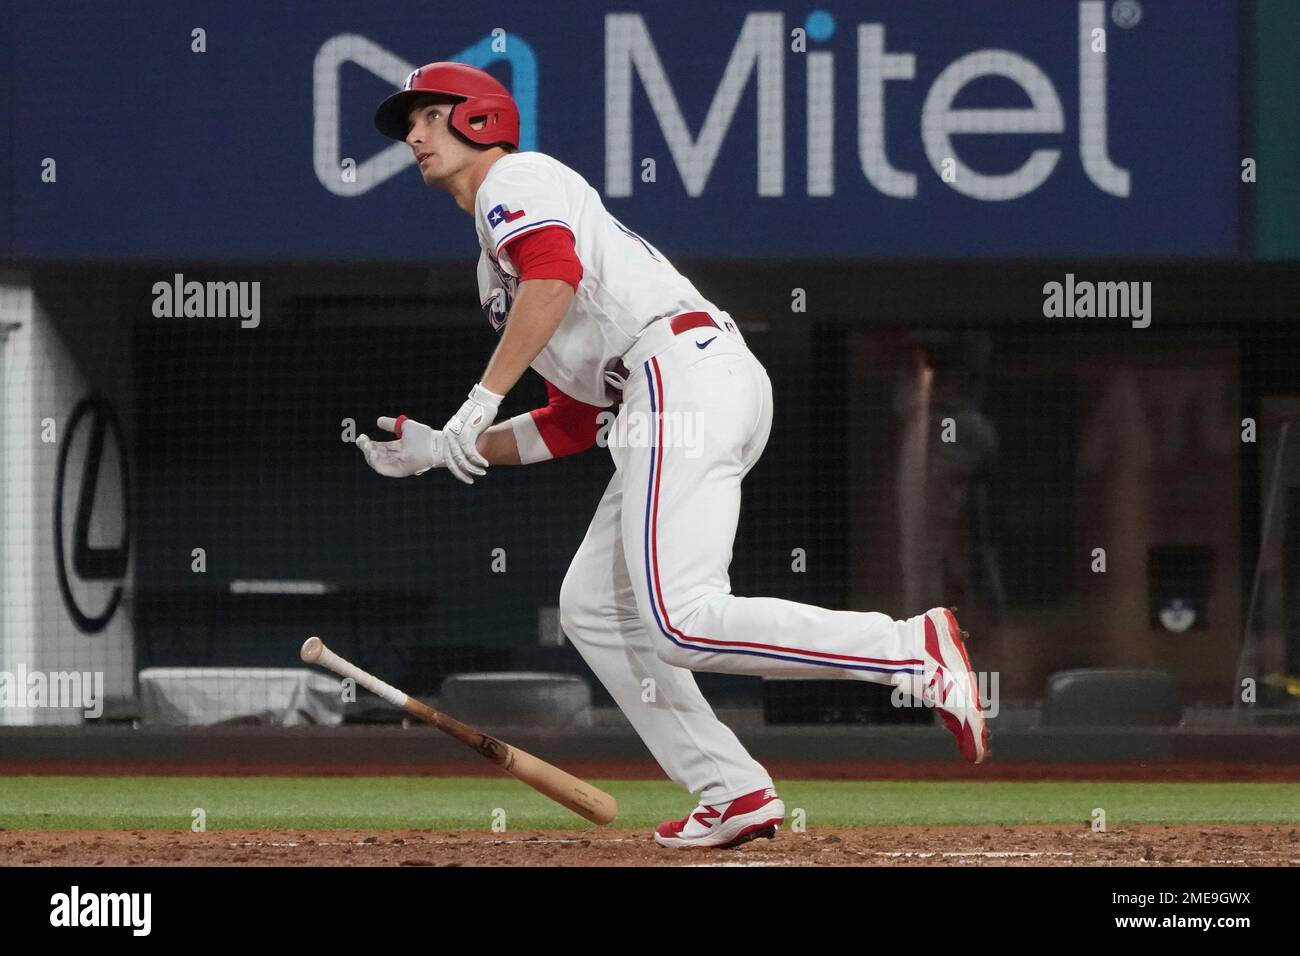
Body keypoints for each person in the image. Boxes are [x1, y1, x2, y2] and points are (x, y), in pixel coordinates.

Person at [356, 62, 988, 849]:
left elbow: (555, 275)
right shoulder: (492, 263)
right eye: (407, 123)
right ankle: (732, 790)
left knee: (681, 622)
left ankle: (909, 649)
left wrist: (480, 398)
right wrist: (444, 448)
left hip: (678, 375)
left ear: (478, 118)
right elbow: (572, 422)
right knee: (594, 607)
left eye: (428, 116)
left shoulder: (516, 178)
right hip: (661, 396)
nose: (412, 135)